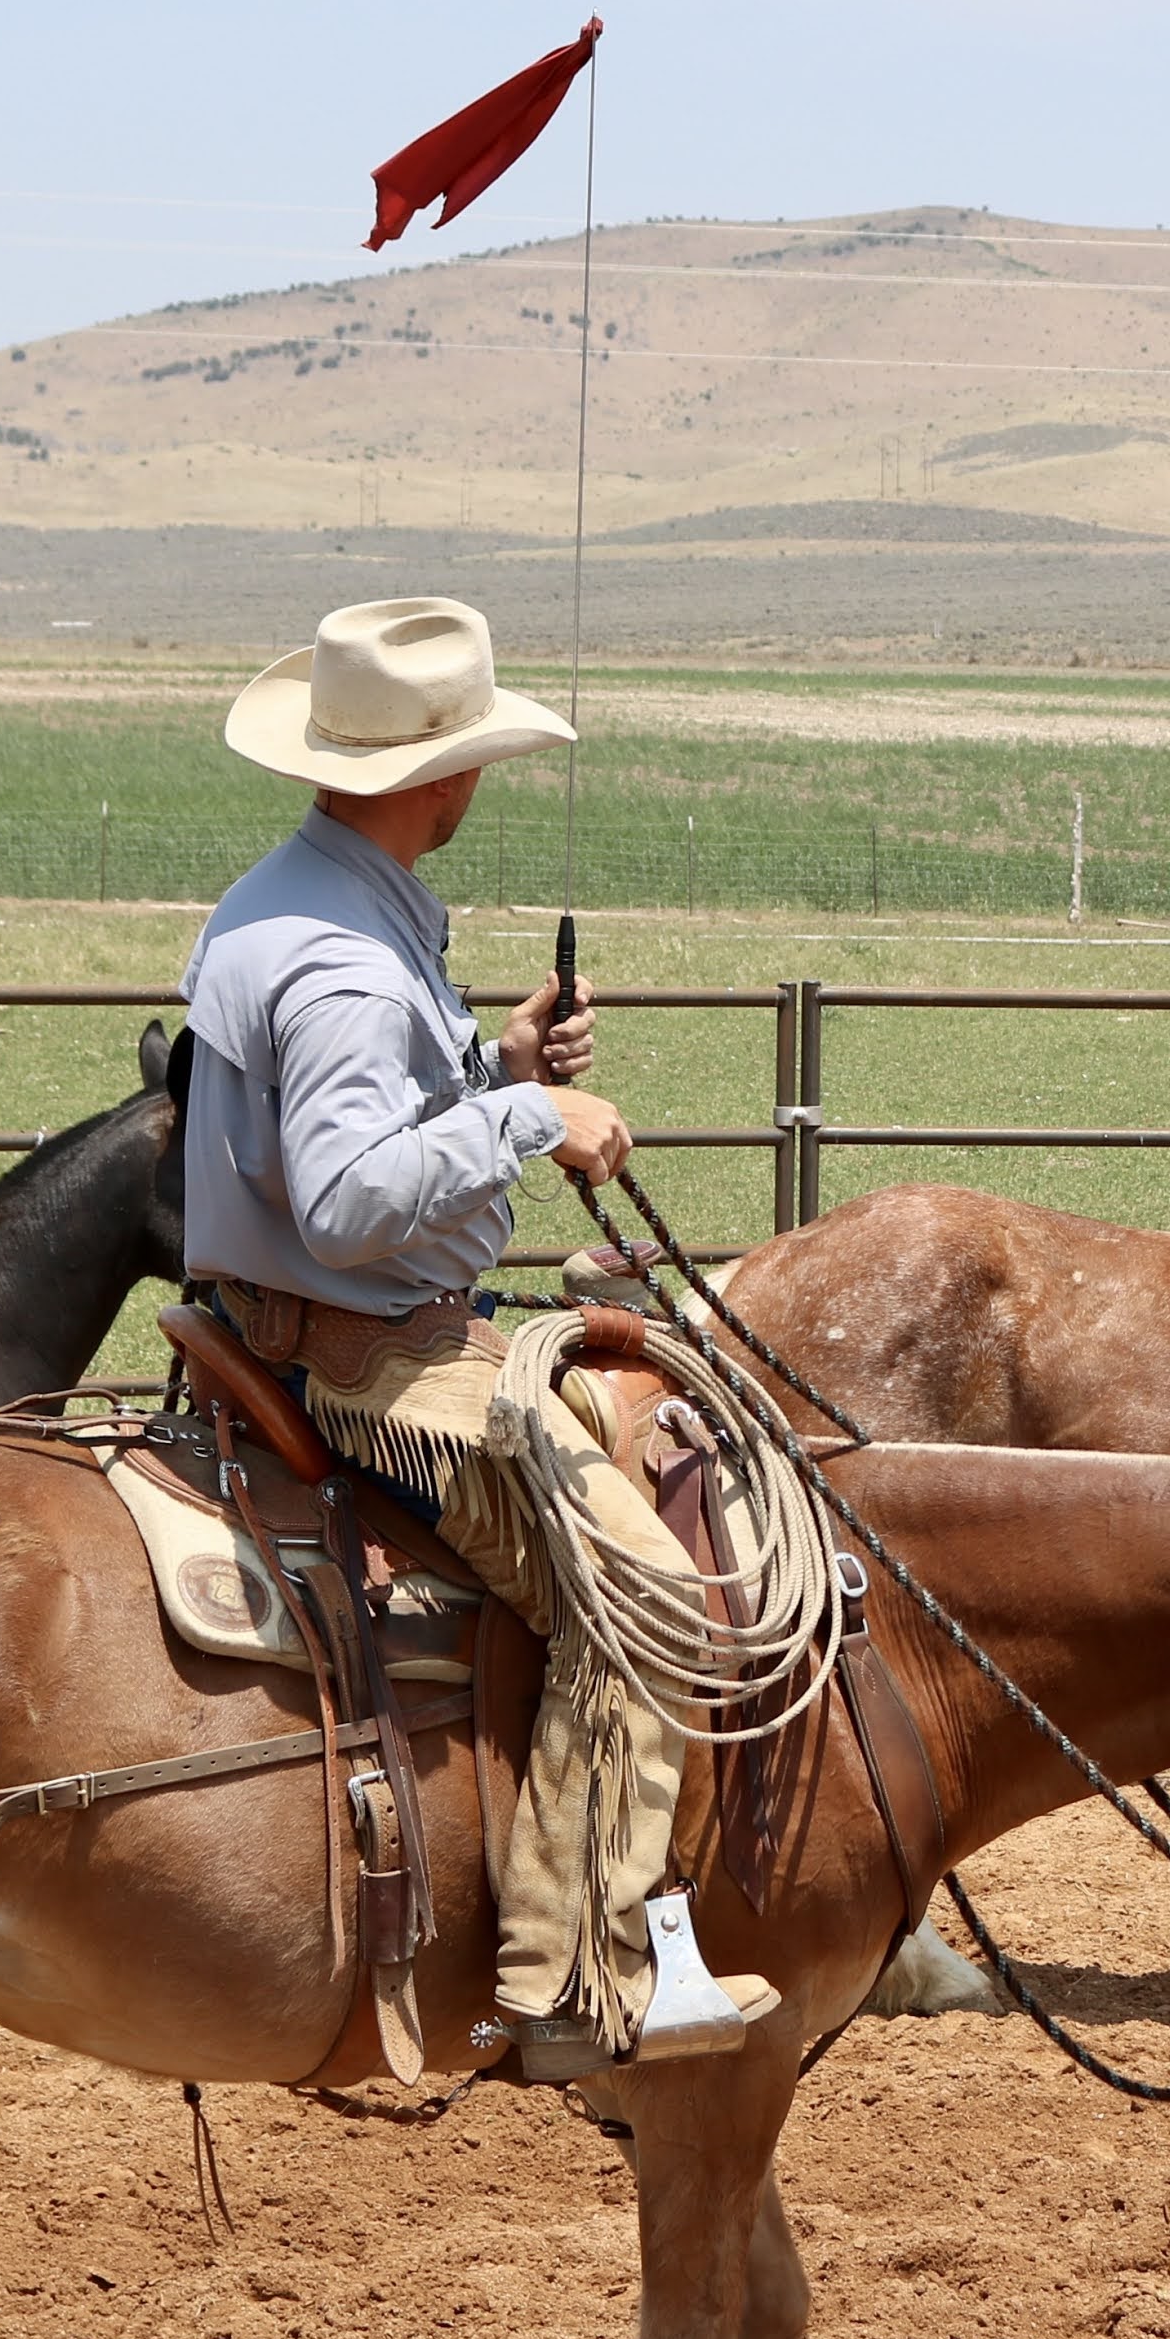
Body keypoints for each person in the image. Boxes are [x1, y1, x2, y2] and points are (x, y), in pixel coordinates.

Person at [183, 596, 762, 2076]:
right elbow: (348, 1198)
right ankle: (571, 1976)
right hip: (372, 1357)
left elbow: (366, 1109)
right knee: (649, 1594)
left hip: (337, 1322)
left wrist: (487, 1058)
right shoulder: (345, 963)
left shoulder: (299, 896)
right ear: (443, 775)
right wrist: (529, 1112)